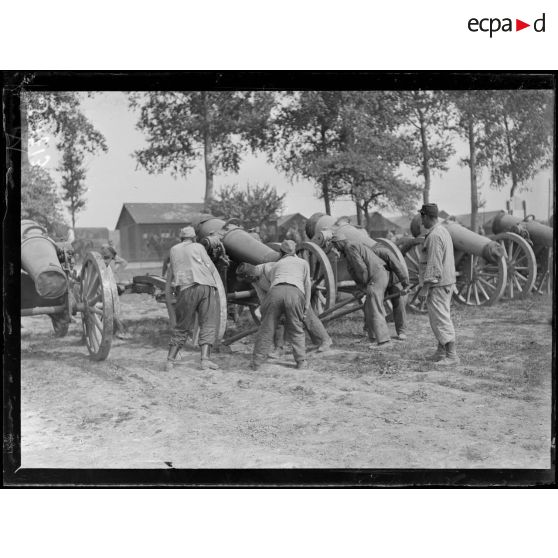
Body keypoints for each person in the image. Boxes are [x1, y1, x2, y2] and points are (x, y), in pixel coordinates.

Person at [331, 231, 409, 347]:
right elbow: (358, 269)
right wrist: (361, 288)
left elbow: (362, 269)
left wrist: (405, 283)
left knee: (391, 303)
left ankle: (386, 339)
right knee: (368, 305)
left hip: (391, 278)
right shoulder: (356, 250)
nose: (335, 248)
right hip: (377, 277)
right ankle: (371, 337)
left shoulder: (379, 251)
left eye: (335, 245)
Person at [237, 260, 332, 354]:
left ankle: (325, 341)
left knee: (307, 315)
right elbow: (262, 296)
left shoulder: (270, 269)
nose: (248, 281)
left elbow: (279, 286)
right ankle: (279, 349)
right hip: (279, 294)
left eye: (247, 279)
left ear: (249, 276)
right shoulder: (254, 279)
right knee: (275, 318)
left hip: (295, 289)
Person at [166, 226, 220, 372]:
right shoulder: (198, 246)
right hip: (204, 287)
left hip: (185, 289)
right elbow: (211, 267)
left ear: (181, 238)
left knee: (182, 325)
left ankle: (170, 361)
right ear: (194, 237)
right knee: (207, 323)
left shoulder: (174, 249)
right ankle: (204, 361)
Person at [250, 239, 311, 370]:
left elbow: (272, 283)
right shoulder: (303, 263)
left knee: (266, 328)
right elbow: (307, 285)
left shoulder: (277, 264)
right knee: (296, 328)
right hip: (295, 293)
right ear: (294, 251)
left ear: (281, 252)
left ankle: (257, 363)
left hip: (275, 292)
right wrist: (306, 306)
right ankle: (301, 362)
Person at [418, 203, 459, 365]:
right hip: (446, 282)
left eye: (422, 218)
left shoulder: (435, 235)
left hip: (438, 284)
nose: (421, 222)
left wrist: (425, 288)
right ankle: (441, 352)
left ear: (427, 217)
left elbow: (434, 265)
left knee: (441, 318)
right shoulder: (443, 231)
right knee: (438, 317)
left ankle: (452, 356)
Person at [100, 243, 131, 340]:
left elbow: (124, 263)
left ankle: (120, 330)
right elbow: (125, 263)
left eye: (104, 249)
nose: (103, 250)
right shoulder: (110, 259)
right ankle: (115, 330)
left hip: (109, 287)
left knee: (111, 310)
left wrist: (115, 270)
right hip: (110, 287)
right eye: (102, 249)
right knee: (111, 309)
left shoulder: (105, 260)